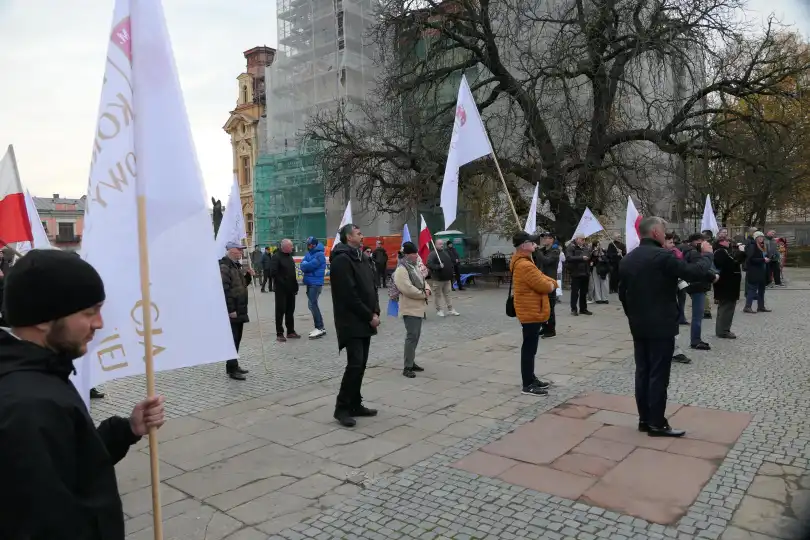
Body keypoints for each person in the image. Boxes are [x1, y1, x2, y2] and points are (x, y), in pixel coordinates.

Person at [0, 249, 166, 539]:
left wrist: (126, 430)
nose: (99, 323)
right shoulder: (29, 406)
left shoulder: (41, 375)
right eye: (89, 313)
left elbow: (68, 465)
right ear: (43, 318)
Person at [619, 217, 716, 437]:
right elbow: (693, 272)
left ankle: (645, 418)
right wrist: (708, 254)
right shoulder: (662, 256)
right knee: (658, 374)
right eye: (664, 231)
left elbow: (623, 294)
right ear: (655, 232)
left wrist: (632, 316)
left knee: (643, 371)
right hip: (661, 324)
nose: (665, 235)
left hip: (638, 324)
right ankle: (656, 423)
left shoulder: (628, 258)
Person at [330, 224, 380, 427]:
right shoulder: (342, 260)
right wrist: (369, 315)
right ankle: (341, 408)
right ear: (349, 237)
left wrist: (375, 310)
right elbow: (348, 295)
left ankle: (355, 403)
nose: (362, 236)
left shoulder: (362, 258)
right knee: (355, 364)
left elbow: (372, 286)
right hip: (351, 321)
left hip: (366, 319)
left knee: (361, 365)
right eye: (359, 233)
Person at [510, 232, 558, 396]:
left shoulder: (526, 262)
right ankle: (528, 384)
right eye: (532, 242)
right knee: (529, 349)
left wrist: (551, 282)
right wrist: (552, 286)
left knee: (531, 347)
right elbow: (542, 284)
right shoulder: (524, 265)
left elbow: (542, 277)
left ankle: (531, 377)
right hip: (529, 310)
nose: (536, 244)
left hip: (530, 309)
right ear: (524, 245)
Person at [393, 242, 431, 378]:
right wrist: (423, 294)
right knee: (411, 336)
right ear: (408, 255)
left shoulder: (414, 267)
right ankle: (407, 367)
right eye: (414, 253)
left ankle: (411, 361)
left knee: (416, 336)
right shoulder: (401, 269)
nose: (417, 256)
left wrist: (427, 289)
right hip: (409, 308)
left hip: (418, 307)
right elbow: (407, 288)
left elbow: (423, 280)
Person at [220, 241, 254, 380]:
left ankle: (233, 365)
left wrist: (248, 276)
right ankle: (232, 369)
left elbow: (241, 285)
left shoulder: (235, 266)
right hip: (233, 310)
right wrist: (230, 309)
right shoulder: (225, 266)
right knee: (233, 339)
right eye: (239, 250)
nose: (241, 253)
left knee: (237, 338)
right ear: (232, 251)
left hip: (240, 308)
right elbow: (225, 290)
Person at [680, 233, 713, 351]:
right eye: (702, 240)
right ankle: (695, 340)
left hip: (695, 285)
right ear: (695, 241)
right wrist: (713, 276)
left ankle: (696, 339)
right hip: (697, 286)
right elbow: (701, 269)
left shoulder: (689, 251)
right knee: (697, 315)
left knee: (698, 314)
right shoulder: (693, 253)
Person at [663, 233, 691, 364]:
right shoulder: (663, 258)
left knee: (672, 324)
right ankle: (672, 351)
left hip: (671, 295)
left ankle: (675, 350)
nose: (673, 245)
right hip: (663, 298)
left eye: (673, 242)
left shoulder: (674, 255)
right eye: (670, 242)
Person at [268, 239, 301, 342]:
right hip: (281, 290)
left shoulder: (289, 257)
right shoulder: (276, 257)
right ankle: (279, 333)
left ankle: (290, 331)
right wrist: (283, 282)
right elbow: (273, 273)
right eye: (291, 246)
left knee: (290, 311)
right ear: (285, 247)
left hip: (291, 289)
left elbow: (292, 273)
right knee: (280, 311)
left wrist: (295, 286)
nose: (292, 247)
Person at [713, 236, 743, 338]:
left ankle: (723, 329)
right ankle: (723, 331)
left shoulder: (724, 251)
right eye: (727, 241)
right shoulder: (720, 252)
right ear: (722, 242)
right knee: (726, 309)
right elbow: (731, 264)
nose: (729, 242)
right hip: (726, 285)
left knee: (726, 308)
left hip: (728, 285)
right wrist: (741, 253)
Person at [533, 232, 560, 339]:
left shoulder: (555, 251)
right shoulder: (543, 250)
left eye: (549, 238)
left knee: (549, 306)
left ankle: (551, 330)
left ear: (553, 240)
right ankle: (544, 327)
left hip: (549, 281)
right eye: (545, 238)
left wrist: (537, 250)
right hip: (541, 280)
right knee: (541, 306)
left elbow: (546, 261)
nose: (546, 239)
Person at [300, 236, 327, 339]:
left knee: (312, 305)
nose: (308, 246)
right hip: (310, 283)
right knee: (312, 305)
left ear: (314, 245)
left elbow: (308, 266)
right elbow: (302, 266)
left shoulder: (319, 254)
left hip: (315, 283)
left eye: (309, 244)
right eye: (308, 244)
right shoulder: (310, 254)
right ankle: (320, 327)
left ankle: (319, 327)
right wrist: (306, 265)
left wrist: (306, 264)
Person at [427, 239, 459, 317]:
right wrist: (438, 266)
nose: (441, 245)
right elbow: (429, 264)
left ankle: (450, 309)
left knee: (448, 294)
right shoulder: (433, 254)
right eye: (439, 244)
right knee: (438, 295)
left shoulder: (445, 253)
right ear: (435, 245)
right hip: (438, 279)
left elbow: (449, 263)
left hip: (447, 279)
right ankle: (439, 310)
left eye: (442, 244)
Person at [743, 231, 771, 313]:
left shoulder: (762, 246)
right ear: (756, 238)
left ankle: (761, 306)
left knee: (762, 289)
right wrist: (763, 259)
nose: (761, 238)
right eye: (759, 237)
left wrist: (768, 258)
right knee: (752, 289)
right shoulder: (752, 246)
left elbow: (764, 256)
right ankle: (747, 306)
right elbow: (750, 259)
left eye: (762, 237)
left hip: (763, 270)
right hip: (754, 271)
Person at [566, 233, 592, 316]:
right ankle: (574, 309)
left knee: (584, 292)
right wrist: (581, 258)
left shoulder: (586, 247)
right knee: (575, 292)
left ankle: (583, 308)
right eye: (582, 239)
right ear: (577, 239)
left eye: (584, 239)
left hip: (585, 272)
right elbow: (569, 258)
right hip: (576, 272)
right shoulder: (571, 246)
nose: (584, 241)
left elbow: (589, 256)